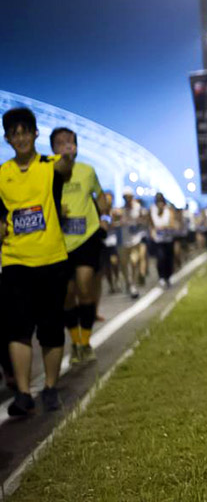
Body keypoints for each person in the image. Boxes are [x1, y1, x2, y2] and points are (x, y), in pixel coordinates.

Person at [0, 107, 75, 415]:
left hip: (51, 258)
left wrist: (68, 153)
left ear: (35, 134)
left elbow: (66, 169)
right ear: (7, 138)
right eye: (14, 134)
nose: (20, 138)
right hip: (15, 260)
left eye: (25, 132)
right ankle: (22, 393)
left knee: (51, 328)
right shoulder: (2, 173)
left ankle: (50, 388)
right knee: (17, 329)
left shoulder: (50, 164)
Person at [50, 127, 107, 363]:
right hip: (59, 241)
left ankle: (85, 343)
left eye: (70, 141)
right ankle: (74, 342)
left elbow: (100, 196)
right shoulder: (47, 170)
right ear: (53, 147)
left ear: (76, 146)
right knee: (67, 296)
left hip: (87, 238)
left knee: (85, 287)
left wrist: (104, 217)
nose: (66, 146)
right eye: (60, 142)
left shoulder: (87, 171)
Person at [117, 188, 146, 298]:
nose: (127, 199)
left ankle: (133, 283)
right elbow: (114, 223)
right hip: (123, 241)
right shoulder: (120, 210)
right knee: (124, 265)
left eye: (129, 197)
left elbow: (145, 221)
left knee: (134, 262)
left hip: (135, 240)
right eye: (125, 197)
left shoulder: (138, 208)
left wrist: (139, 221)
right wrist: (120, 221)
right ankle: (128, 283)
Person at [149, 193, 177, 288]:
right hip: (158, 240)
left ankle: (168, 277)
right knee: (160, 258)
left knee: (168, 259)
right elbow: (151, 224)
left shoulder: (168, 210)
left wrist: (163, 227)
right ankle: (161, 277)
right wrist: (152, 232)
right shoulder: (152, 210)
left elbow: (173, 225)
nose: (159, 204)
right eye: (158, 202)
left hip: (168, 239)